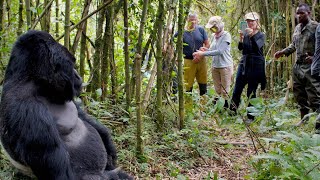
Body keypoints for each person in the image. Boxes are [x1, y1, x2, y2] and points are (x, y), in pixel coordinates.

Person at [274, 3, 320, 132]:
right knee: (299, 94)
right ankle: (304, 119)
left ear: (309, 13)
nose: (299, 15)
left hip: (311, 67)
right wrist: (283, 52)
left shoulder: (315, 27)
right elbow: (294, 45)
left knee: (314, 95)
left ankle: (318, 123)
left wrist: (315, 58)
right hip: (298, 66)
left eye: (302, 13)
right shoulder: (298, 28)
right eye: (297, 13)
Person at [230, 12, 266, 123]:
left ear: (257, 22)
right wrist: (241, 38)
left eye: (252, 21)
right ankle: (232, 112)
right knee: (237, 88)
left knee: (251, 91)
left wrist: (251, 36)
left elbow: (257, 47)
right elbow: (241, 48)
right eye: (248, 21)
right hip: (244, 63)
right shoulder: (245, 34)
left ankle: (251, 117)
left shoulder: (261, 35)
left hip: (256, 64)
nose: (250, 23)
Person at [193, 16, 233, 107]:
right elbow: (212, 49)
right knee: (218, 90)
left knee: (225, 91)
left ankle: (226, 108)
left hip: (225, 66)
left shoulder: (226, 35)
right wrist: (205, 50)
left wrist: (202, 54)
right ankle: (218, 109)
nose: (212, 29)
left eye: (213, 27)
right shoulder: (213, 36)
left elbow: (220, 51)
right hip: (215, 66)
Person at [175, 13, 210, 96]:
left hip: (201, 60)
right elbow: (173, 43)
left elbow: (207, 44)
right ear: (187, 20)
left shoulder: (201, 29)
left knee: (203, 85)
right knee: (188, 86)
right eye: (191, 20)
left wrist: (202, 51)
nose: (193, 22)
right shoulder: (181, 32)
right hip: (189, 61)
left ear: (197, 20)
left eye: (195, 20)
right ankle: (188, 108)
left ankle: (203, 107)